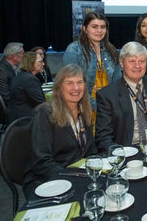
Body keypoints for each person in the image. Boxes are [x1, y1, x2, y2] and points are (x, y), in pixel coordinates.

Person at [22, 64, 96, 197]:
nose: (76, 88)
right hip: (47, 179)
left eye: (80, 82)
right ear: (59, 87)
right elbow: (41, 162)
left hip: (78, 174)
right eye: (69, 83)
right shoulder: (45, 114)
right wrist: (72, 178)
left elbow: (90, 151)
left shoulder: (85, 111)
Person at [63, 12, 122, 132]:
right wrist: (98, 106)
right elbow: (71, 85)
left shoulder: (111, 51)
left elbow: (117, 83)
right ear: (85, 29)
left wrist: (111, 106)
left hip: (107, 109)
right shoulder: (74, 50)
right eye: (94, 27)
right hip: (82, 109)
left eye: (103, 27)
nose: (99, 30)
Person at [6, 52, 46, 122]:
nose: (43, 64)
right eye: (40, 61)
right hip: (25, 120)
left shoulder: (21, 75)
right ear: (31, 63)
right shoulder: (30, 80)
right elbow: (41, 103)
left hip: (15, 116)